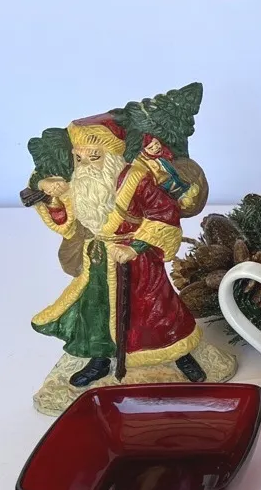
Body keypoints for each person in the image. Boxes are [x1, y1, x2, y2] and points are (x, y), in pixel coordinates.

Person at [31, 114, 205, 386]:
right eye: (79, 158)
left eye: (94, 156)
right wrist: (54, 199)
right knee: (96, 311)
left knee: (157, 308)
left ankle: (180, 353)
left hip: (138, 260)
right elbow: (70, 224)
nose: (86, 165)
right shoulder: (80, 182)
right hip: (98, 257)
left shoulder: (137, 180)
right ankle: (99, 359)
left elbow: (163, 212)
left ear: (111, 155)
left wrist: (135, 247)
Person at [135, 134, 201, 213]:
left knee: (193, 190)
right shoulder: (146, 163)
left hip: (177, 184)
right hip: (165, 190)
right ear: (144, 151)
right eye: (151, 148)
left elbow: (173, 173)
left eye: (157, 143)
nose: (156, 148)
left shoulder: (162, 158)